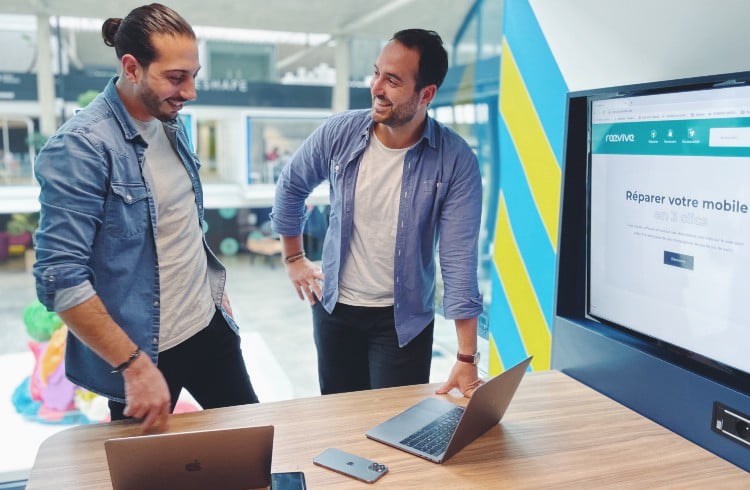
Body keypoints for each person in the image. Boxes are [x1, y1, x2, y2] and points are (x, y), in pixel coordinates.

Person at [32, 3, 258, 433]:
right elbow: (59, 278)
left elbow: (179, 218)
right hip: (142, 354)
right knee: (147, 474)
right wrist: (133, 367)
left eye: (193, 75)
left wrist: (211, 289)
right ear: (132, 67)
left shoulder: (170, 122)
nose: (189, 91)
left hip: (209, 329)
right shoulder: (81, 147)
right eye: (176, 78)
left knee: (253, 447)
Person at [271, 29, 484, 397]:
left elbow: (458, 260)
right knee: (340, 422)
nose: (376, 87)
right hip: (334, 310)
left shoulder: (455, 160)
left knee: (393, 427)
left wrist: (466, 357)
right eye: (376, 73)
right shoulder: (340, 132)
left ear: (426, 94)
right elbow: (291, 187)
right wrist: (293, 257)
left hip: (401, 323)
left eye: (393, 80)